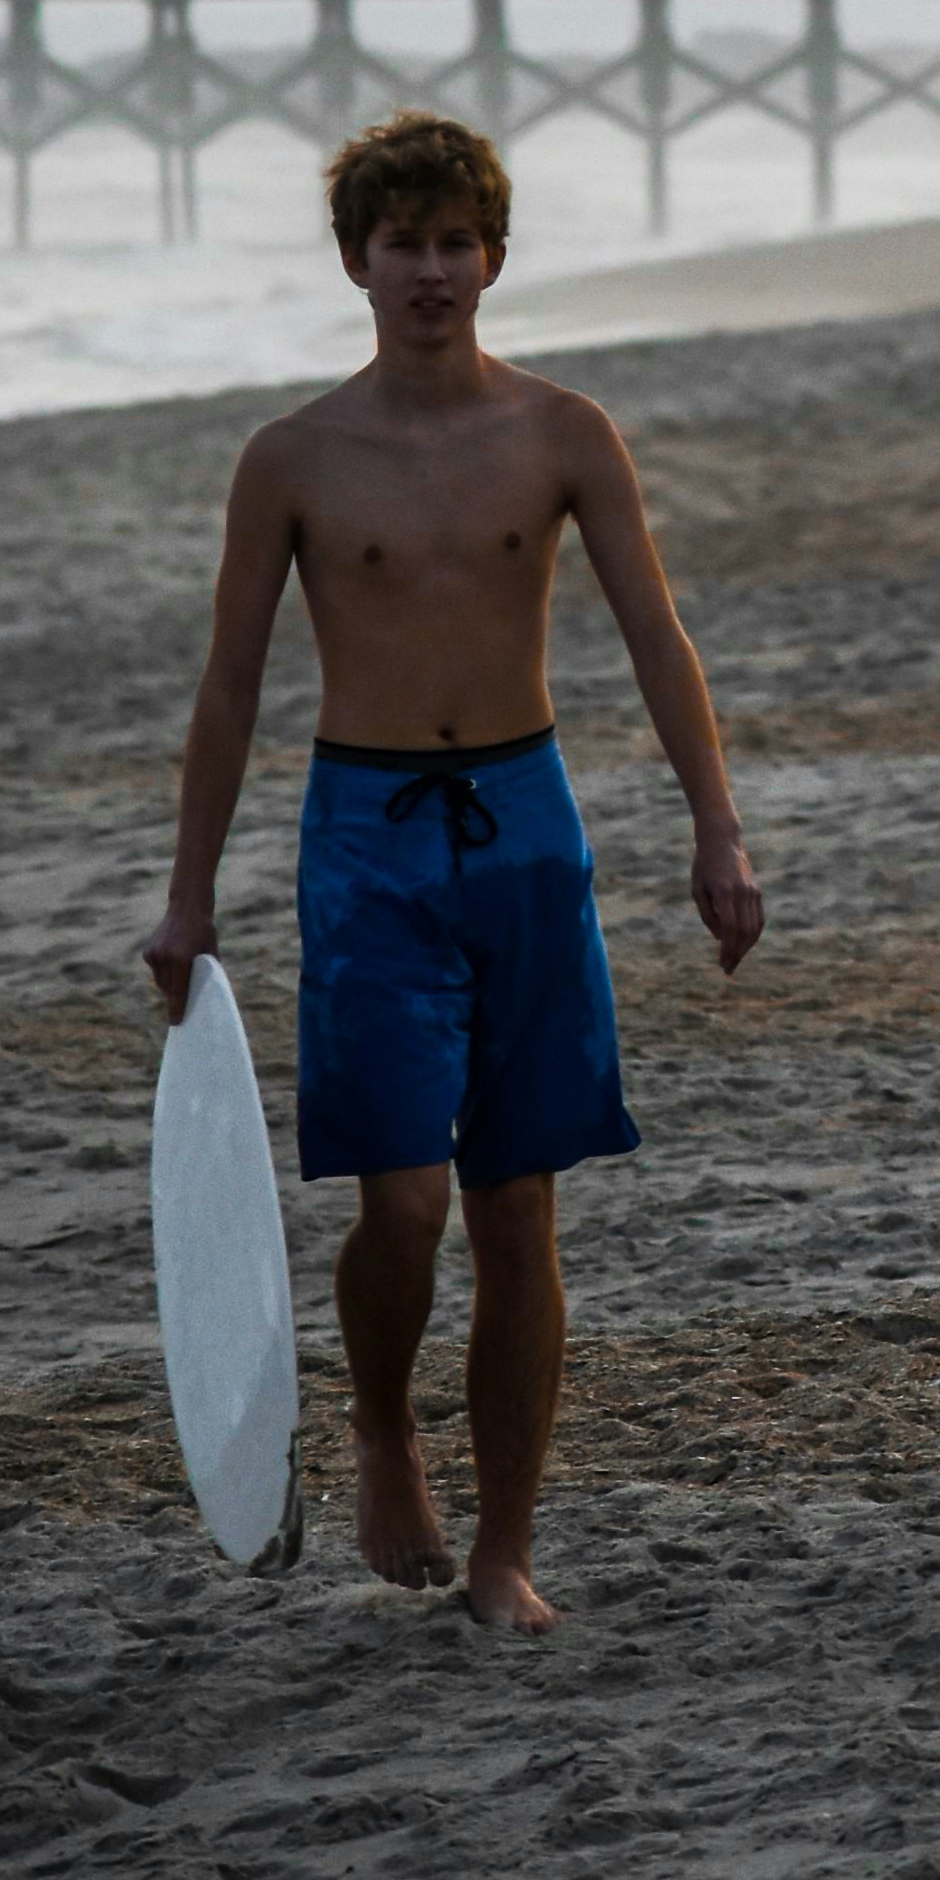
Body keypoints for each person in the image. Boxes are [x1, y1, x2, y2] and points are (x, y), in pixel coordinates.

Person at [141, 109, 762, 1630]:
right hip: (365, 837)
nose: (433, 270)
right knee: (403, 1203)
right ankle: (378, 1423)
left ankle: (505, 1554)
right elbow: (229, 685)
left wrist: (716, 824)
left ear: (493, 256)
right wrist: (188, 890)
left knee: (518, 1208)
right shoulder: (291, 458)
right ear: (357, 261)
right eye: (403, 244)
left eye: (455, 243)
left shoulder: (561, 433)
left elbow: (653, 636)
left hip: (526, 821)